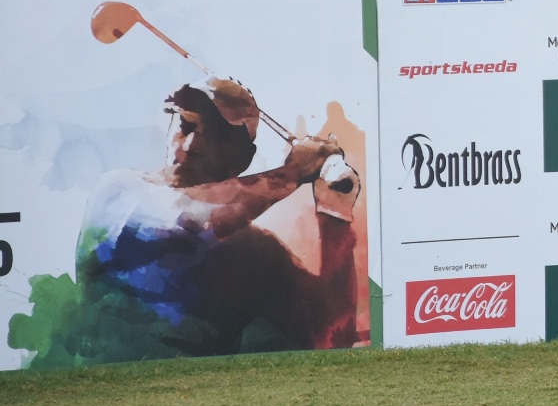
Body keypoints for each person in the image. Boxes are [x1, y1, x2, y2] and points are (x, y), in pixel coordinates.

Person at [68, 78, 362, 361]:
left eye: (216, 137)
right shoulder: (119, 190)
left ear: (243, 157)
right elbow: (188, 223)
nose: (191, 145)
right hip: (105, 385)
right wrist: (294, 172)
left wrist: (335, 212)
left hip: (195, 392)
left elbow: (331, 333)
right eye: (185, 125)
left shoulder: (256, 251)